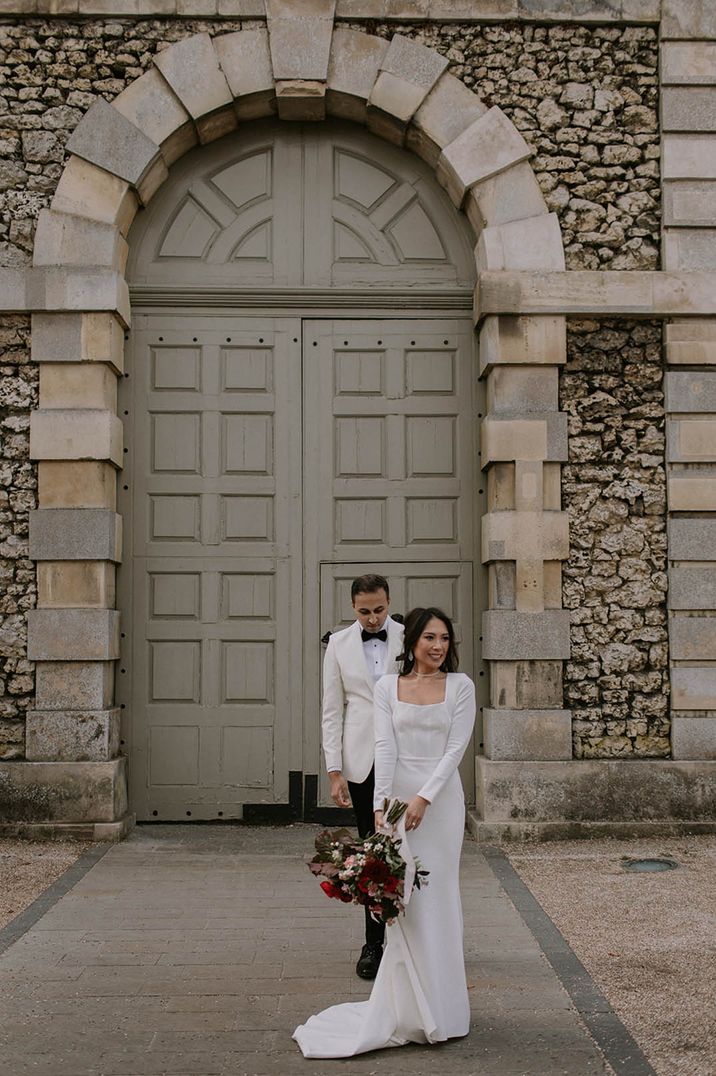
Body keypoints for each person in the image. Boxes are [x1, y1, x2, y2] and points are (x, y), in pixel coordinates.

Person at [294, 606, 476, 1058]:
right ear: (411, 641)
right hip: (397, 803)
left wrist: (424, 798)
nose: (438, 647)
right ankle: (407, 1004)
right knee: (405, 902)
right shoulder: (386, 687)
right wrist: (381, 808)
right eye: (430, 638)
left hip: (440, 804)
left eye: (445, 639)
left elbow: (455, 750)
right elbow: (384, 748)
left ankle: (445, 1007)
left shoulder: (461, 686)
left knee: (440, 897)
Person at [321, 573, 405, 979]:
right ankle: (373, 945)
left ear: (389, 603)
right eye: (364, 612)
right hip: (361, 763)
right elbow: (331, 710)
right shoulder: (337, 644)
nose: (373, 619)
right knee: (371, 855)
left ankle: (414, 942)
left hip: (405, 758)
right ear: (352, 607)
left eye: (379, 610)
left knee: (408, 848)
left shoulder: (410, 636)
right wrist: (334, 771)